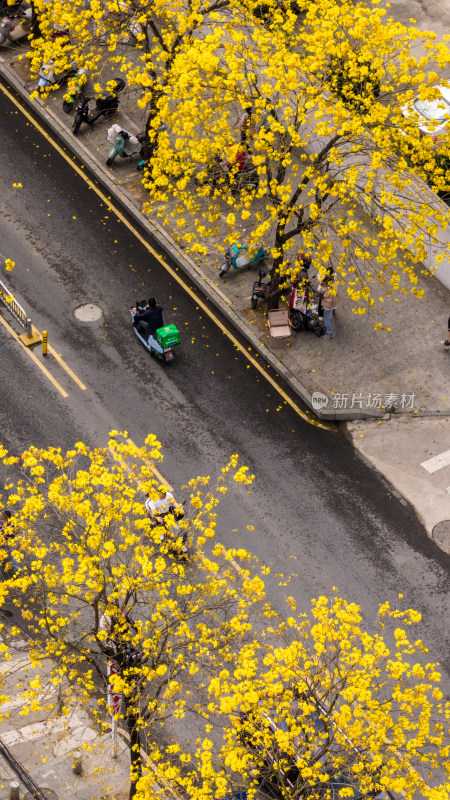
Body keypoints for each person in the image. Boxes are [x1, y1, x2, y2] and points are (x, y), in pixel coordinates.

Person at [0, 509, 18, 576]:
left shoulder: (12, 524)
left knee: (13, 554)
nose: (2, 517)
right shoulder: (3, 524)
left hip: (10, 542)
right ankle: (1, 560)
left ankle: (16, 569)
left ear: (7, 516)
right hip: (3, 541)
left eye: (3, 516)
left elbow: (15, 532)